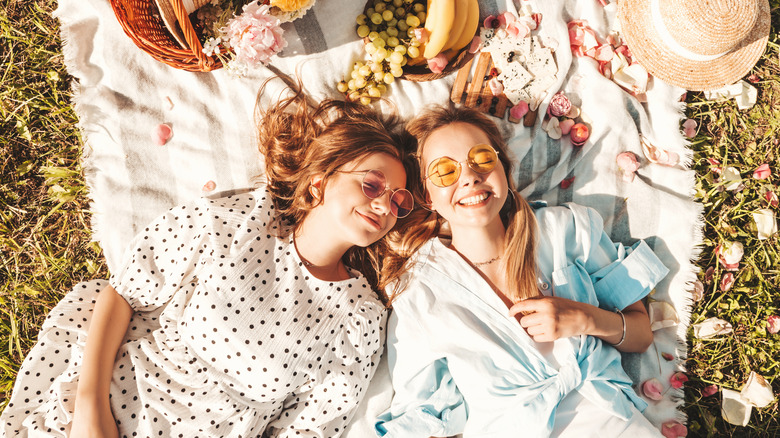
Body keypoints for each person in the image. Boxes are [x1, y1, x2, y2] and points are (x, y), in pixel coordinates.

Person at [1, 84, 416, 437]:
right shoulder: (239, 222)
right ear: (319, 183)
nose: (384, 204)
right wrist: (91, 408)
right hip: (109, 405)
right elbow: (125, 291)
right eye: (372, 184)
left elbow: (309, 426)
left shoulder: (359, 318)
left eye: (398, 201)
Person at [374, 106, 669, 437]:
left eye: (482, 158)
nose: (469, 176)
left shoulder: (565, 231)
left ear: (503, 167)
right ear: (426, 195)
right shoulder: (419, 292)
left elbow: (641, 335)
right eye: (444, 171)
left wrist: (585, 317)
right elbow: (422, 413)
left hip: (614, 425)